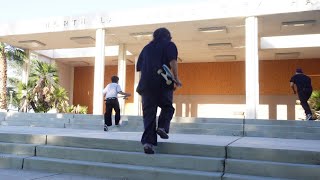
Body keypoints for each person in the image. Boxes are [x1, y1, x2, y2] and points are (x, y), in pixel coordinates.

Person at [136, 27, 182, 154]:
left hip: (146, 86)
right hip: (163, 82)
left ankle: (148, 144)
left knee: (149, 115)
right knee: (167, 107)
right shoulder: (169, 45)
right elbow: (173, 61)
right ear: (168, 36)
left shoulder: (146, 48)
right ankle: (162, 127)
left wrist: (142, 86)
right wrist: (176, 78)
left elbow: (140, 68)